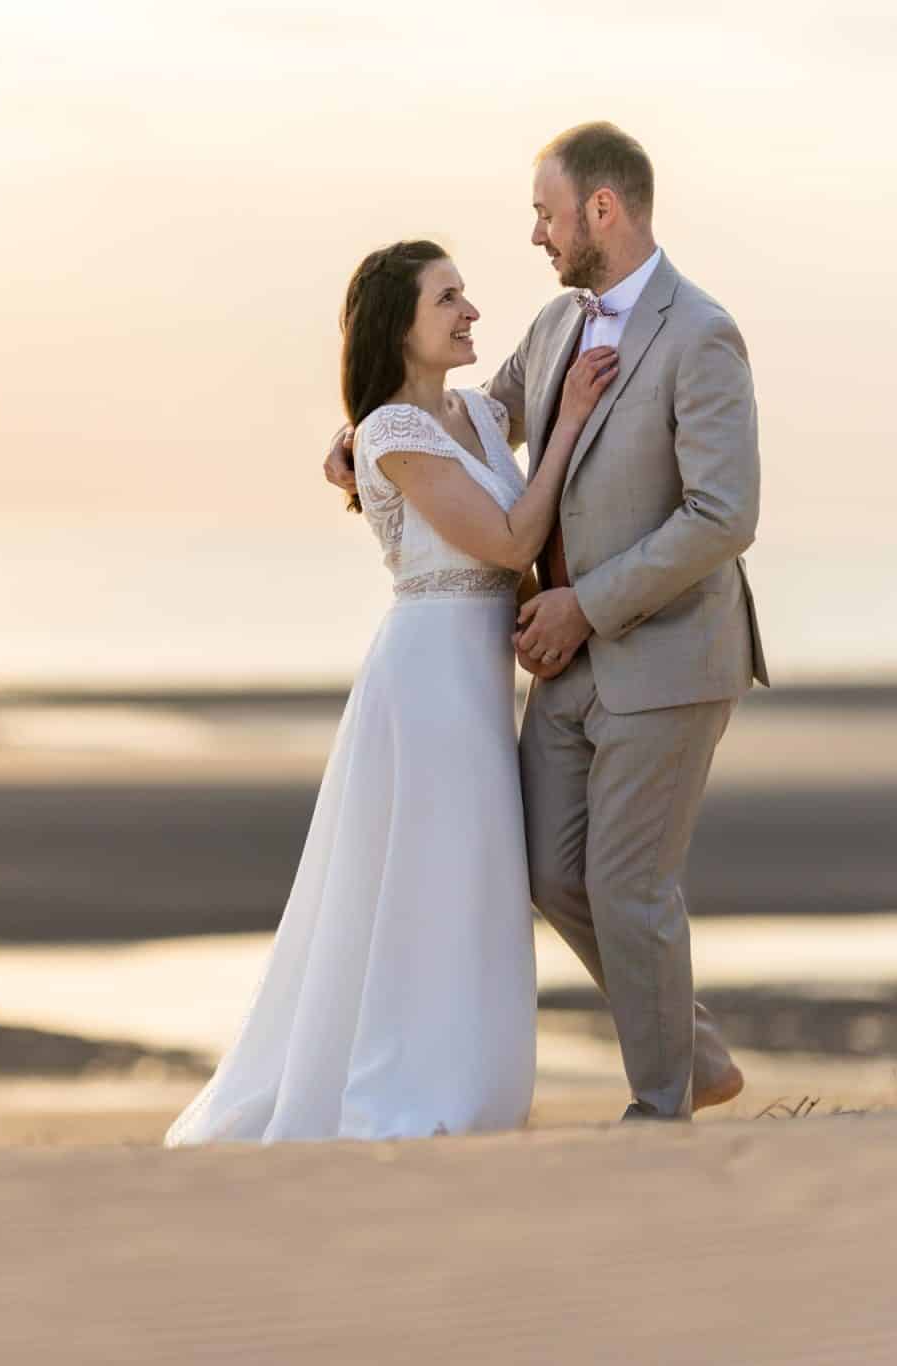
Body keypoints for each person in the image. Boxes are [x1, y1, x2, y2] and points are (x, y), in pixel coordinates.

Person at [323, 122, 768, 1121]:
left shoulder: (699, 333)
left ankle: (660, 1109)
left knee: (625, 882)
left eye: (544, 213)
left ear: (599, 211)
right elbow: (476, 419)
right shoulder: (558, 322)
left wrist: (582, 604)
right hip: (558, 665)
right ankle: (692, 1055)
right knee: (546, 871)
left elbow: (721, 514)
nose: (534, 234)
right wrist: (363, 435)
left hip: (662, 655)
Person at [163, 238, 618, 1144]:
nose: (470, 311)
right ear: (399, 327)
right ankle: (407, 1092)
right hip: (427, 680)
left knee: (476, 879)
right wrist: (566, 422)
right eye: (447, 298)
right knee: (423, 877)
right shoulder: (391, 432)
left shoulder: (481, 417)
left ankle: (476, 1085)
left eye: (465, 293)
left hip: (478, 680)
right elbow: (507, 540)